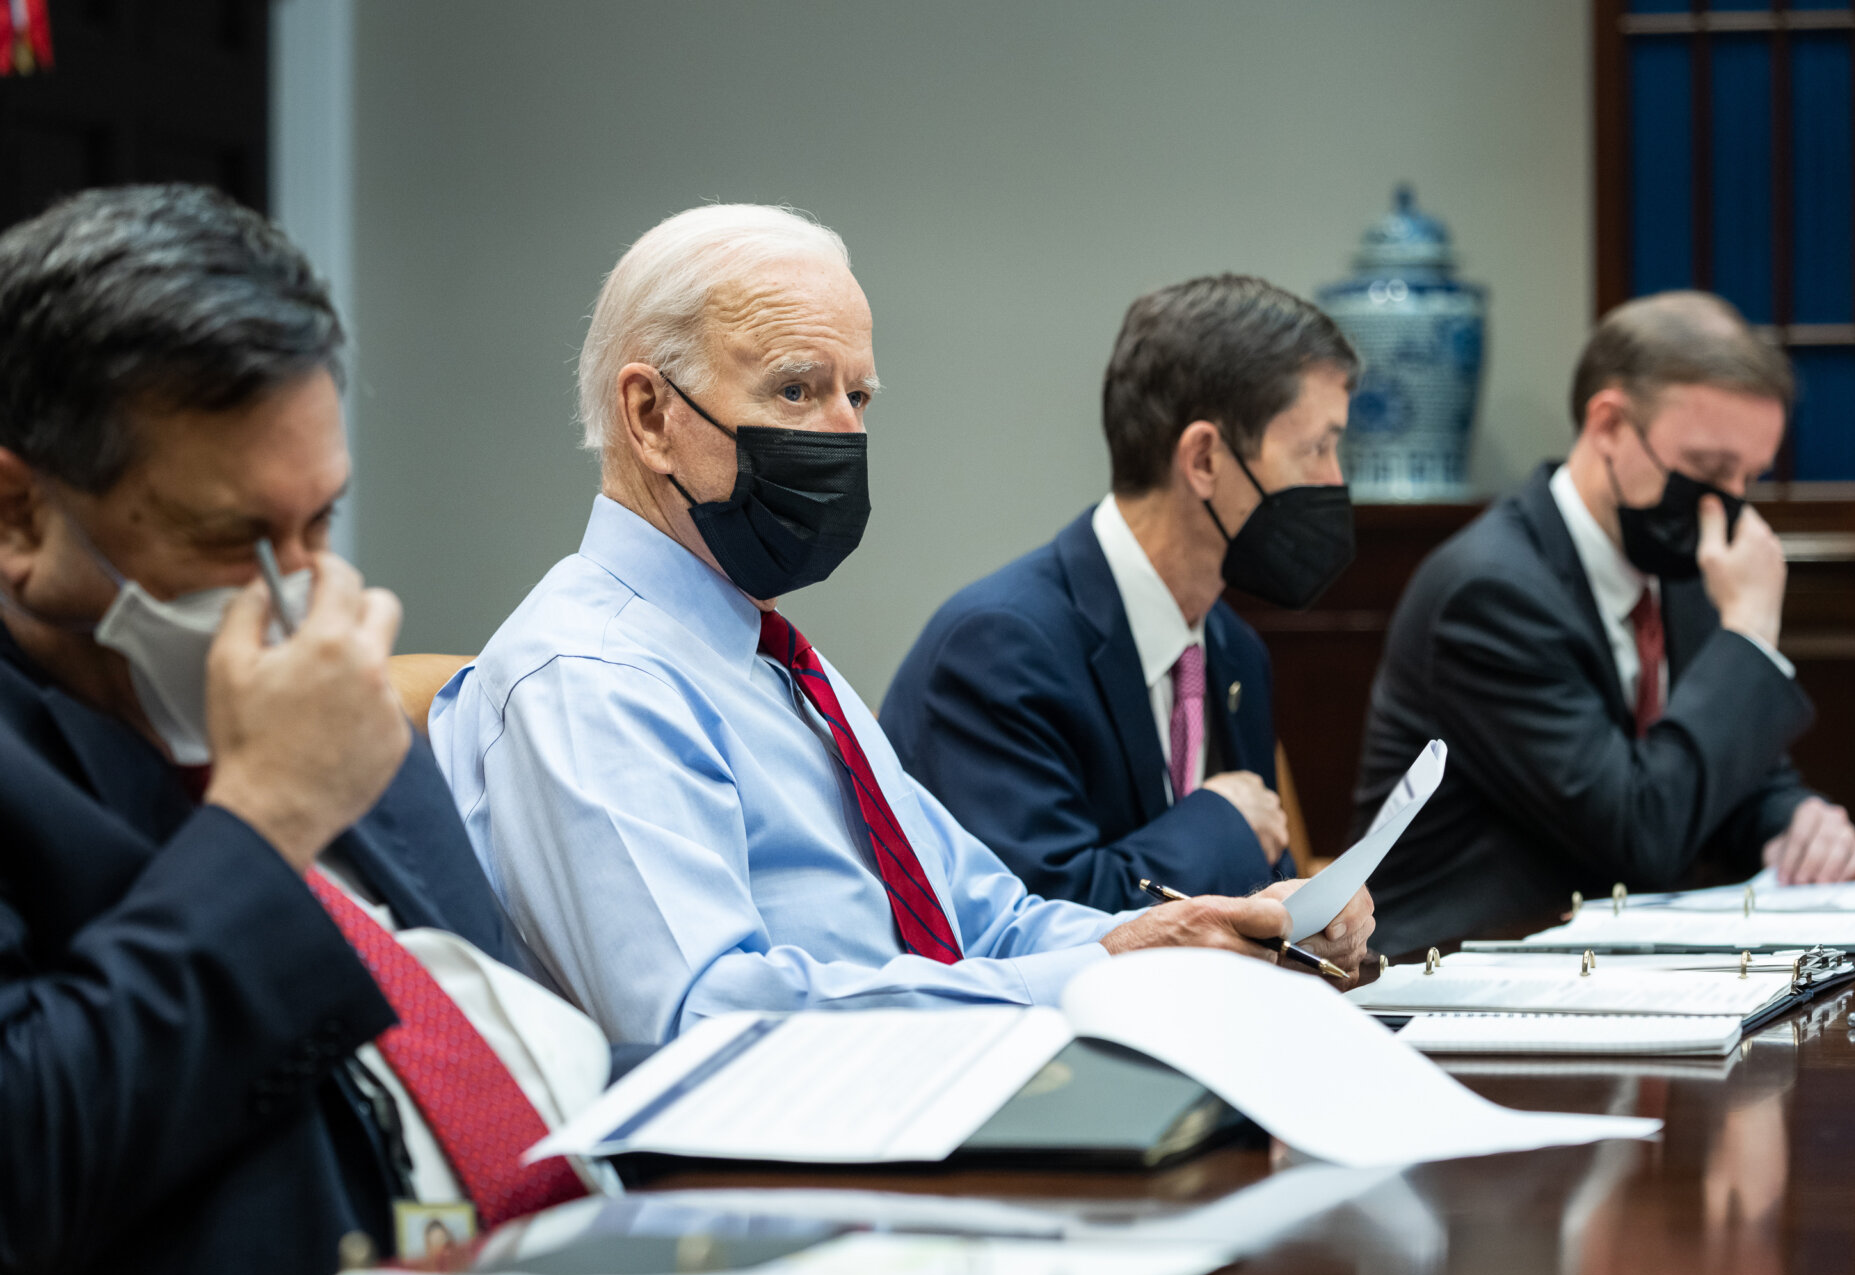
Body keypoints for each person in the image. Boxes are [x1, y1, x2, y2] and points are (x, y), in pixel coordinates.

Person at [430, 206, 1374, 1047]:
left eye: (860, 397)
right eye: (797, 390)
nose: (844, 434)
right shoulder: (591, 676)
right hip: (762, 1196)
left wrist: (1198, 932)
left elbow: (990, 923)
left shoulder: (781, 667)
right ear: (650, 416)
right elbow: (708, 1022)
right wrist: (1102, 972)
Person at [0, 185, 625, 1275]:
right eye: (233, 537)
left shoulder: (327, 689)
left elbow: (500, 1044)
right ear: (19, 515)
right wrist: (267, 819)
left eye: (320, 520)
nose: (301, 597)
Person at [1352, 291, 1855, 955]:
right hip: (1452, 975)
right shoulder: (1489, 592)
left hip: (1599, 964)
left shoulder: (1679, 567)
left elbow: (1723, 769)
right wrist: (1747, 635)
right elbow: (1640, 832)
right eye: (1709, 470)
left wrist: (1794, 818)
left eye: (1749, 477)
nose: (1728, 508)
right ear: (1609, 425)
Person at [882, 274, 1360, 911]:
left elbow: (1250, 894)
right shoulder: (998, 647)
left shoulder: (1231, 648)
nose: (1336, 480)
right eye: (1317, 448)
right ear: (1205, 460)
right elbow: (1041, 920)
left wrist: (1309, 915)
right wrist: (1220, 819)